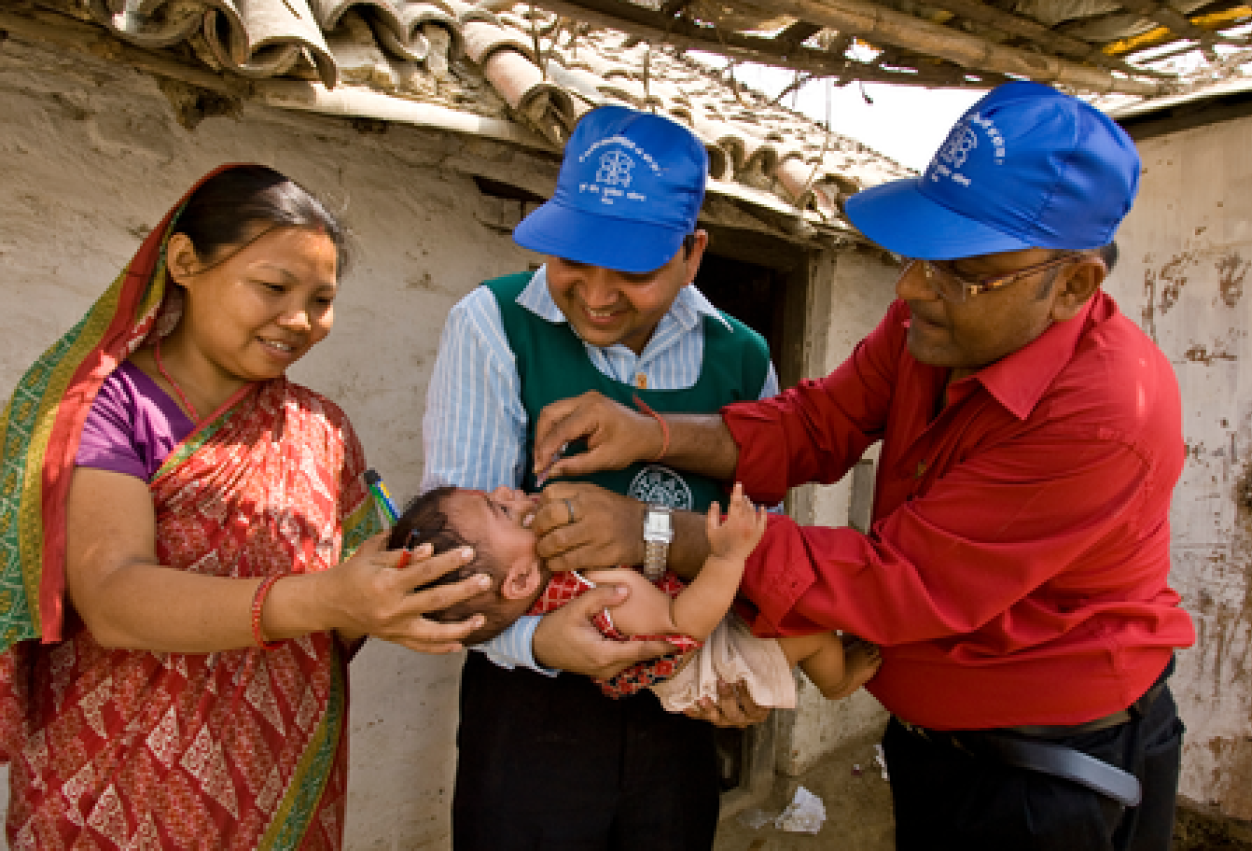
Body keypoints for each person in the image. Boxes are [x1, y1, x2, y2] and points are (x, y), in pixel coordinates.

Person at [527, 81, 1197, 851]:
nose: (913, 289)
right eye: (918, 256)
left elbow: (897, 579)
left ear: (1072, 285)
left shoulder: (1107, 413)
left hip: (1049, 775)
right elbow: (817, 422)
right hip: (936, 741)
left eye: (960, 272)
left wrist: (646, 531)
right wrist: (650, 435)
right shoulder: (936, 319)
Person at [0, 164, 487, 848]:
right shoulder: (105, 409)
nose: (300, 320)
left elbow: (344, 614)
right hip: (119, 780)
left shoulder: (320, 429)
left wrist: (395, 596)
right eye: (273, 287)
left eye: (321, 300)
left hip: (277, 777)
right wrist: (329, 599)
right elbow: (111, 596)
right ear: (184, 262)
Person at [421, 105, 781, 849]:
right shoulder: (491, 326)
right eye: (572, 260)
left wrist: (739, 661)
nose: (595, 293)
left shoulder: (742, 358)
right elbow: (459, 563)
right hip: (531, 709)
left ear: (692, 254)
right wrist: (541, 642)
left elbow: (764, 541)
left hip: (680, 707)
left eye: (635, 271)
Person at [393, 483, 881, 709]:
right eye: (502, 509)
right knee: (808, 630)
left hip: (696, 638)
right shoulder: (603, 592)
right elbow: (685, 623)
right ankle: (836, 681)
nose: (509, 489)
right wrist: (728, 558)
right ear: (519, 583)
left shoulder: (556, 581)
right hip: (710, 661)